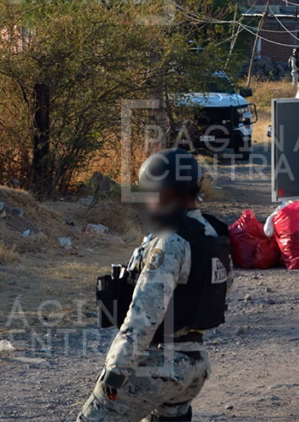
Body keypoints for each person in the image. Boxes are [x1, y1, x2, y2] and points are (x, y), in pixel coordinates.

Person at [77, 149, 232, 422]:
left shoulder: (170, 241)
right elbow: (221, 289)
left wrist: (115, 371)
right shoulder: (214, 234)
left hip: (158, 364)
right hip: (195, 362)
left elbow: (144, 316)